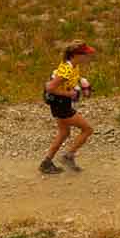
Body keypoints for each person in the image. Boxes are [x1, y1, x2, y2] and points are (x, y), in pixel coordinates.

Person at [39, 41, 95, 174]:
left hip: (60, 104)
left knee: (64, 133)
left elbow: (73, 78)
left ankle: (46, 163)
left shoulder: (73, 66)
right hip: (61, 104)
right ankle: (68, 156)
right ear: (76, 55)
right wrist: (69, 94)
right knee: (87, 129)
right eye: (85, 54)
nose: (88, 57)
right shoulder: (67, 68)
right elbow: (49, 87)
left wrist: (84, 84)